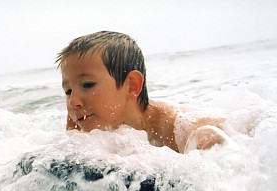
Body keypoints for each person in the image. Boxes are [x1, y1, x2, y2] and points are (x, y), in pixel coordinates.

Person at [57, 30, 232, 153]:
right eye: (68, 90)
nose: (73, 101)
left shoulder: (191, 133)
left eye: (87, 85)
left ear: (132, 86)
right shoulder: (83, 119)